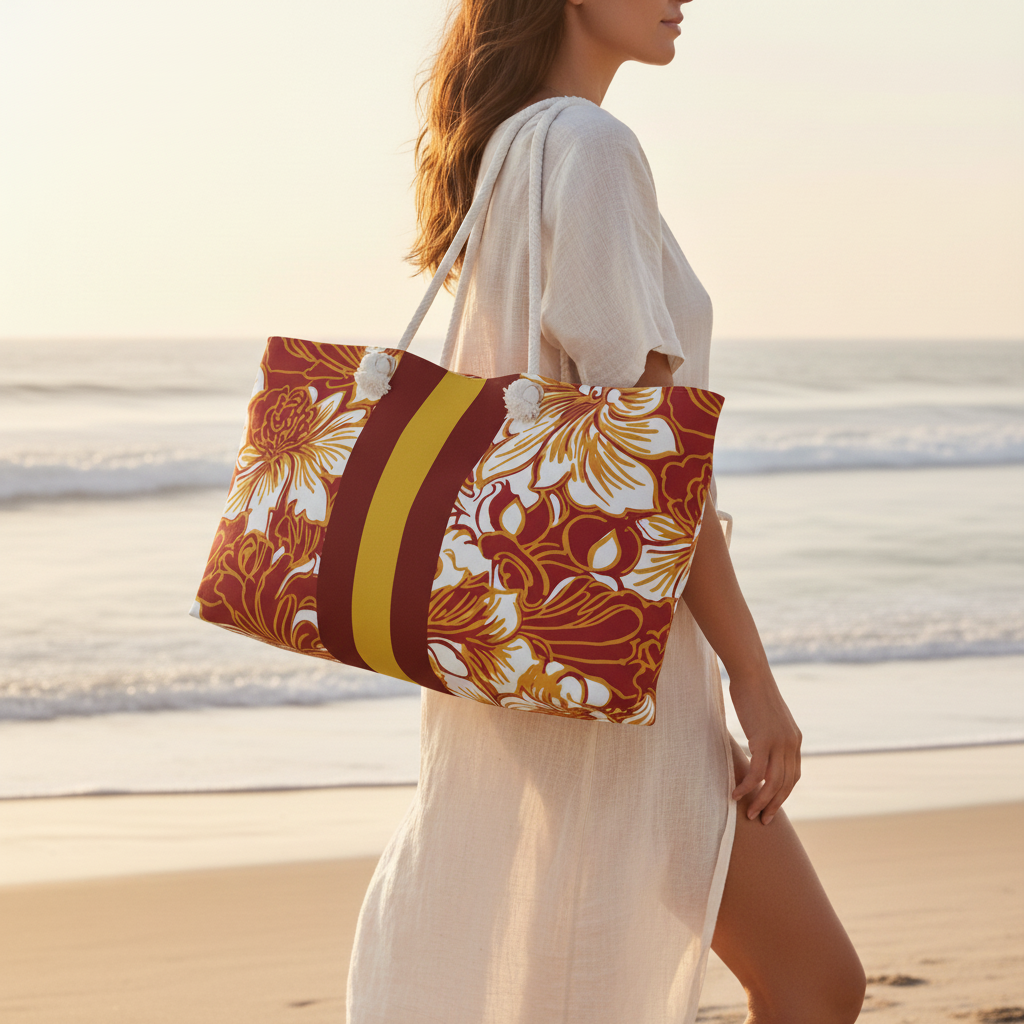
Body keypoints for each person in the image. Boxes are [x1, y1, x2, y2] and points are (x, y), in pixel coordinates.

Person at [347, 1, 866, 1020]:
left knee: (560, 966)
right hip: (615, 655)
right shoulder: (591, 147)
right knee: (812, 979)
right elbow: (654, 472)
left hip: (528, 652)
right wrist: (753, 684)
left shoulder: (505, 152)